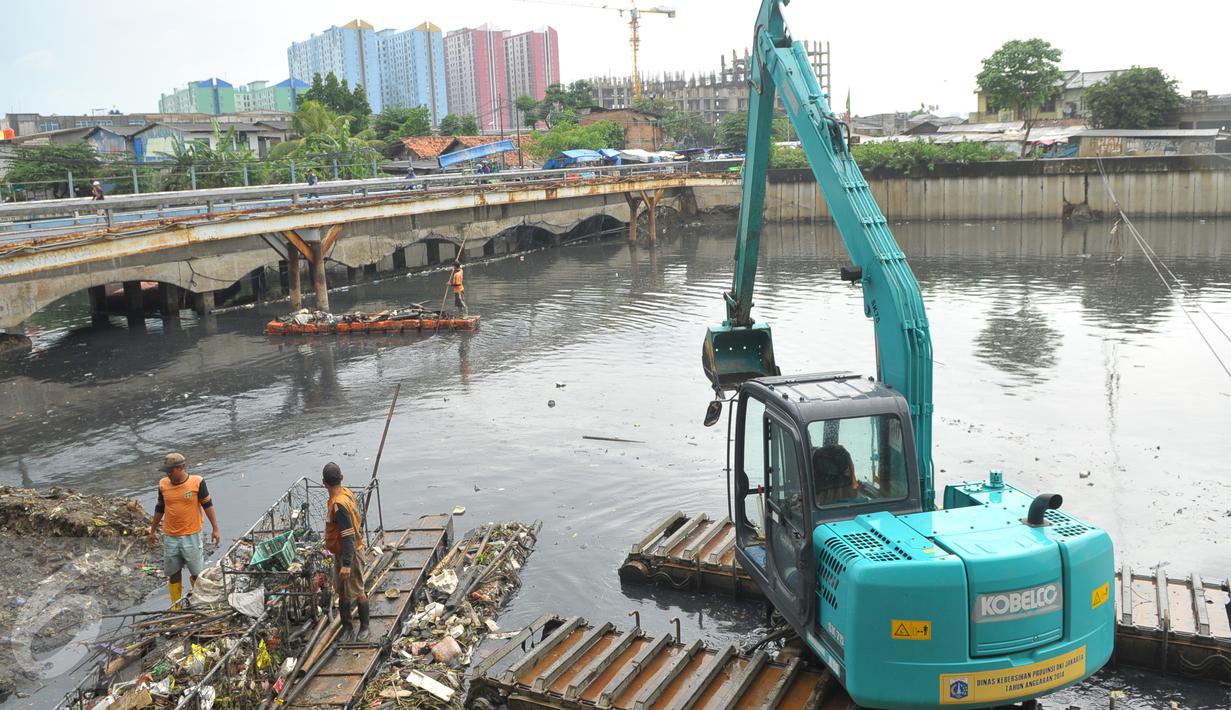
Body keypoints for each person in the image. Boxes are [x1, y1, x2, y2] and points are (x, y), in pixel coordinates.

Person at [148, 453, 221, 604]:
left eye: (171, 471)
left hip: (192, 535)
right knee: (173, 572)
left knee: (196, 572)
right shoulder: (163, 484)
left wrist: (215, 528)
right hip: (170, 536)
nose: (168, 474)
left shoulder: (197, 482)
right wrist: (152, 531)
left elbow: (207, 505)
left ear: (181, 467)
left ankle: (198, 601)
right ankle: (176, 605)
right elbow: (160, 507)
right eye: (166, 471)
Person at [323, 462, 369, 642]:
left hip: (351, 554)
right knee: (341, 591)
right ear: (341, 478)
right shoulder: (345, 493)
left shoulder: (339, 505)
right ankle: (347, 628)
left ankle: (364, 627)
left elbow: (349, 536)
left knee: (358, 590)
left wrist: (347, 565)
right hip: (341, 552)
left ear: (324, 482)